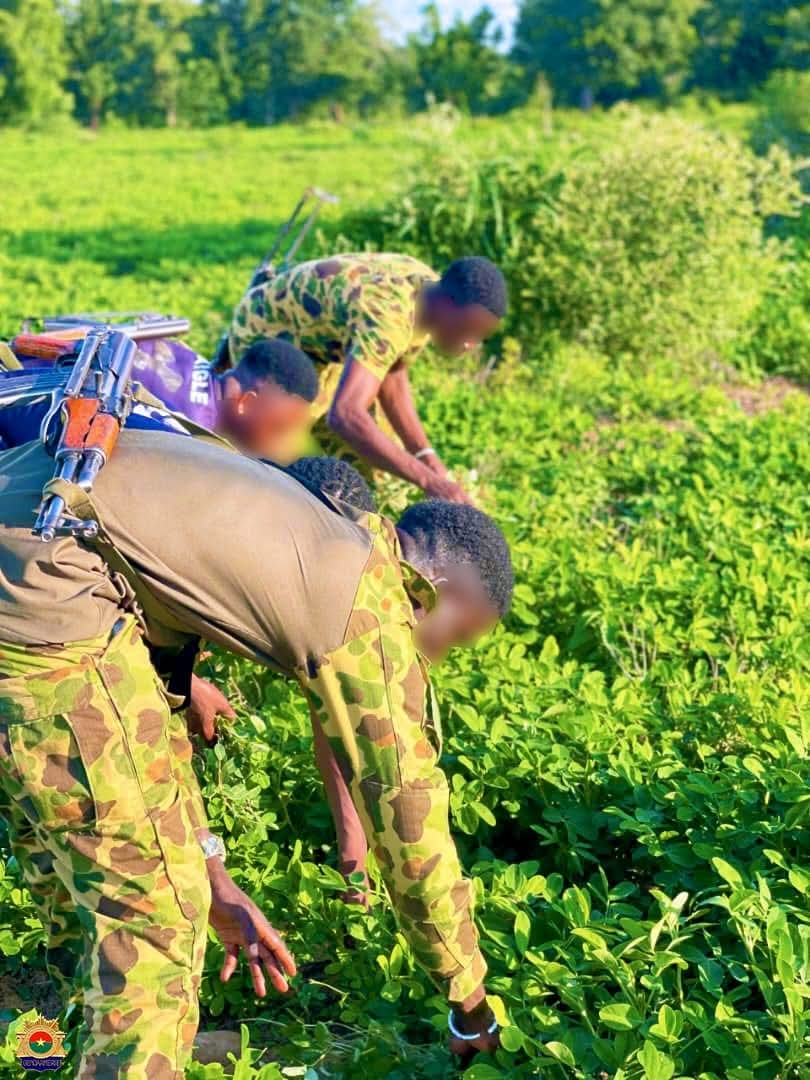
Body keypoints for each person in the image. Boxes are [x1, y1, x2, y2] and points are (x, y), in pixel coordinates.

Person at [0, 428, 512, 1073]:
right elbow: (408, 818)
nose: (435, 657)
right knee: (153, 930)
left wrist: (209, 867)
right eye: (453, 637)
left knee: (78, 893)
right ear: (435, 589)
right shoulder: (369, 605)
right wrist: (470, 1001)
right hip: (46, 609)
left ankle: (48, 1051)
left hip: (30, 558)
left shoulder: (307, 529)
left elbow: (145, 725)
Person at [227, 254, 508, 500]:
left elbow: (392, 370)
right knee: (271, 462)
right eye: (468, 330)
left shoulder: (429, 293)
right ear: (447, 305)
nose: (470, 344)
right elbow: (345, 415)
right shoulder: (390, 317)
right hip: (269, 334)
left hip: (327, 346)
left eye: (479, 336)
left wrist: (425, 457)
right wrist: (429, 482)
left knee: (375, 464)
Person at [11, 334, 320, 460]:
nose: (279, 446)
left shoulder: (190, 358)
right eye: (278, 430)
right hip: (20, 410)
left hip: (16, 369)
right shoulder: (187, 432)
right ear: (247, 402)